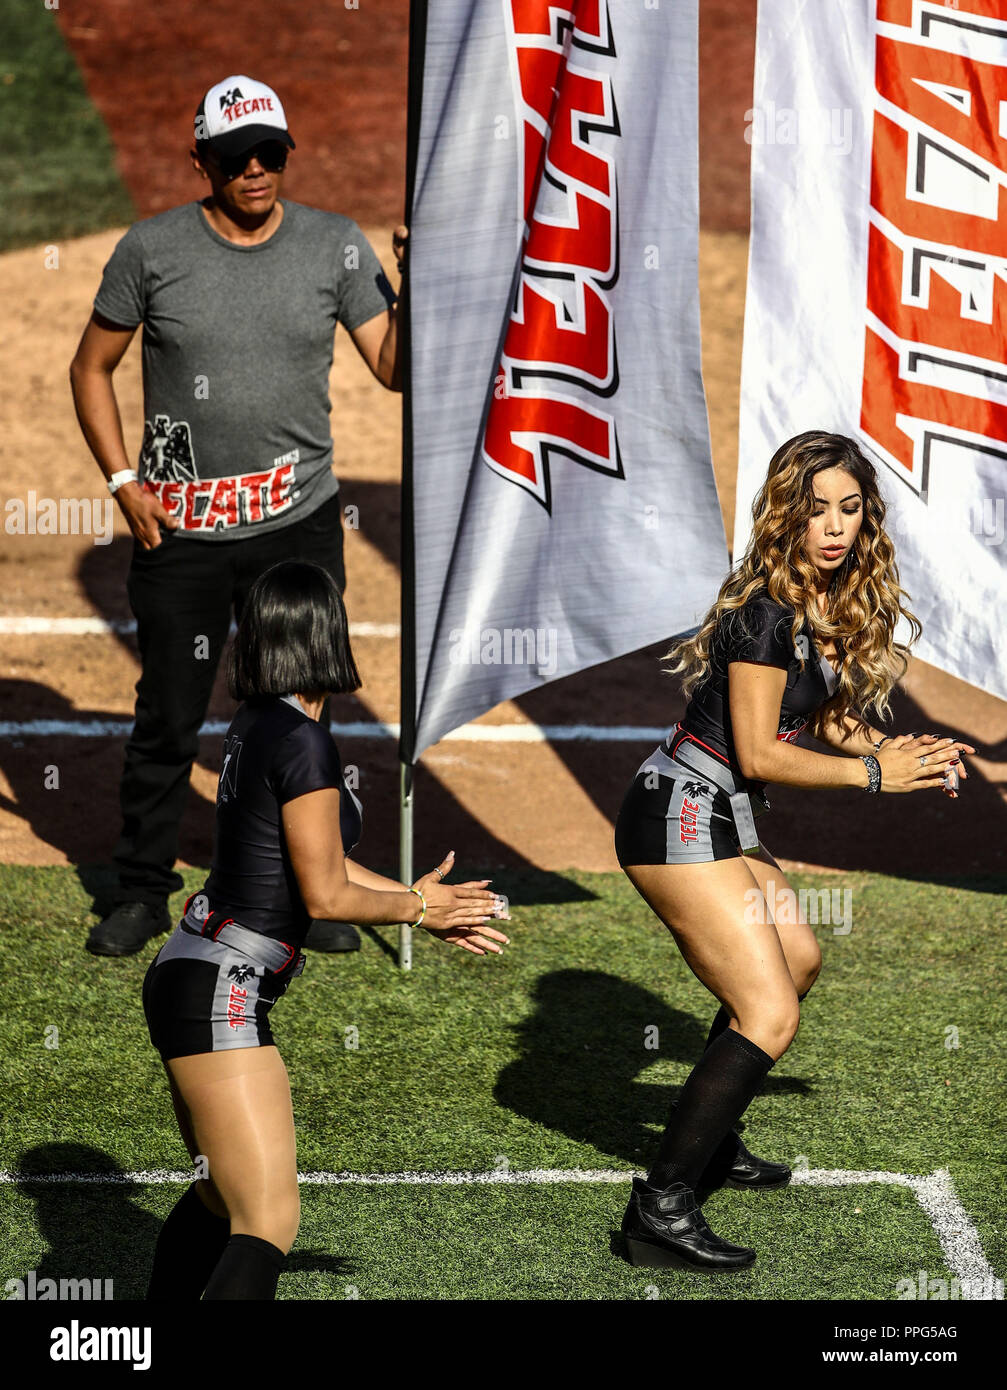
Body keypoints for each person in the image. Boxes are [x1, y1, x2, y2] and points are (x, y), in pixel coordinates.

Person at [613, 430, 975, 1272]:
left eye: (849, 509)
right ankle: (657, 1210)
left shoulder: (816, 603)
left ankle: (712, 1138)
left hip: (718, 812)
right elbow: (760, 752)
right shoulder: (765, 616)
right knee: (767, 1012)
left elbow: (819, 721)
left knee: (797, 959)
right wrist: (874, 778)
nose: (834, 527)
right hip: (677, 814)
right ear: (785, 514)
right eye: (815, 511)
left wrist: (910, 754)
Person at [69, 74, 406, 956]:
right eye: (236, 158)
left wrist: (417, 290)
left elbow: (394, 367)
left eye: (271, 154)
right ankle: (141, 890)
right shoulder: (151, 250)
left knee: (299, 718)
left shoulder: (335, 246)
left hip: (297, 528)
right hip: (178, 534)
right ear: (202, 162)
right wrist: (119, 482)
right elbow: (89, 369)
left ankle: (308, 885)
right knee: (169, 716)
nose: (256, 171)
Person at [142, 560, 510, 1300]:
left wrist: (412, 898)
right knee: (266, 1221)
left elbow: (322, 862)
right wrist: (417, 909)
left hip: (191, 967)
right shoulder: (304, 741)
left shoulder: (263, 722)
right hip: (224, 989)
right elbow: (325, 893)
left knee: (222, 1198)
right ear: (324, 633)